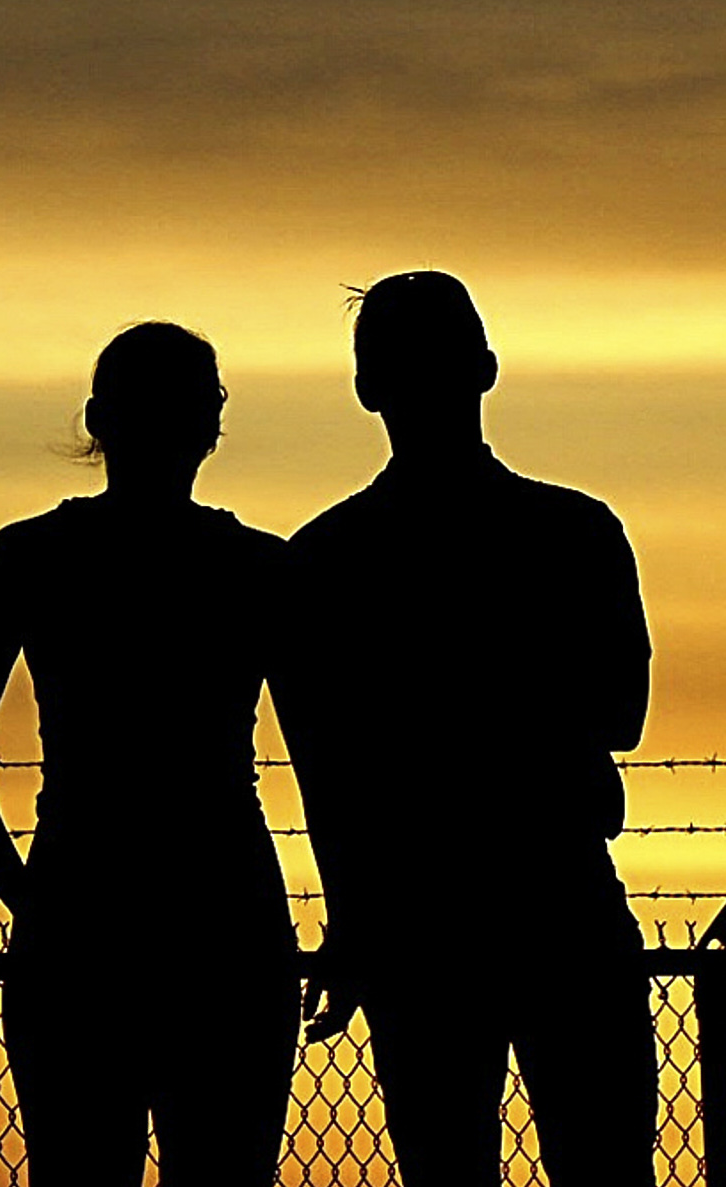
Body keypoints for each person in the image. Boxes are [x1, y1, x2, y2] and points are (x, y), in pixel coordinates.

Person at [278, 271, 655, 1186]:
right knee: (603, 1163)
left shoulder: (327, 558)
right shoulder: (574, 531)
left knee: (449, 1170)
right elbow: (619, 712)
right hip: (553, 887)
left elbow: (328, 770)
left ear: (367, 389)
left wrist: (353, 919)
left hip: (418, 911)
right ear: (487, 367)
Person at [0, 321, 299, 1186]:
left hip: (83, 905)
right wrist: (350, 916)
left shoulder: (33, 556)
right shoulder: (256, 569)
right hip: (223, 910)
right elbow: (323, 761)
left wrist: (27, 892)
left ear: (98, 417)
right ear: (214, 424)